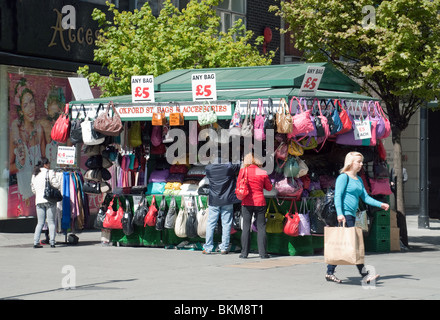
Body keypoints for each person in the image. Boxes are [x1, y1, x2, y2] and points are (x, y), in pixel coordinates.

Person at [326, 151, 390, 283]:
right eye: (358, 162)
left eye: (362, 162)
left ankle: (329, 272)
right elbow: (338, 196)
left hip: (352, 215)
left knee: (345, 245)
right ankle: (365, 276)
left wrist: (381, 204)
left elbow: (365, 198)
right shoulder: (343, 178)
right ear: (350, 163)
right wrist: (340, 213)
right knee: (354, 245)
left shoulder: (358, 179)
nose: (361, 164)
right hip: (345, 215)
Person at [203, 151, 241, 254]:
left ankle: (208, 248)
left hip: (214, 199)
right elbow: (238, 165)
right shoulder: (229, 167)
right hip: (227, 199)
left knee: (211, 223)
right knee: (226, 223)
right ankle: (224, 247)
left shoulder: (209, 168)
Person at [238, 153, 273, 259]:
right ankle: (263, 253)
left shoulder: (243, 171)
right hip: (260, 202)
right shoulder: (262, 172)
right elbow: (269, 188)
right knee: (261, 227)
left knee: (246, 227)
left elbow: (238, 185)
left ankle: (244, 253)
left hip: (246, 202)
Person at [31, 157, 60, 248]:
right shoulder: (50, 172)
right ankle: (52, 242)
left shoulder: (34, 174)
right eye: (49, 164)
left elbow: (33, 189)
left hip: (39, 201)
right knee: (51, 222)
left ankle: (36, 242)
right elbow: (56, 184)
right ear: (45, 164)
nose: (49, 165)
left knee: (40, 223)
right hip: (49, 200)